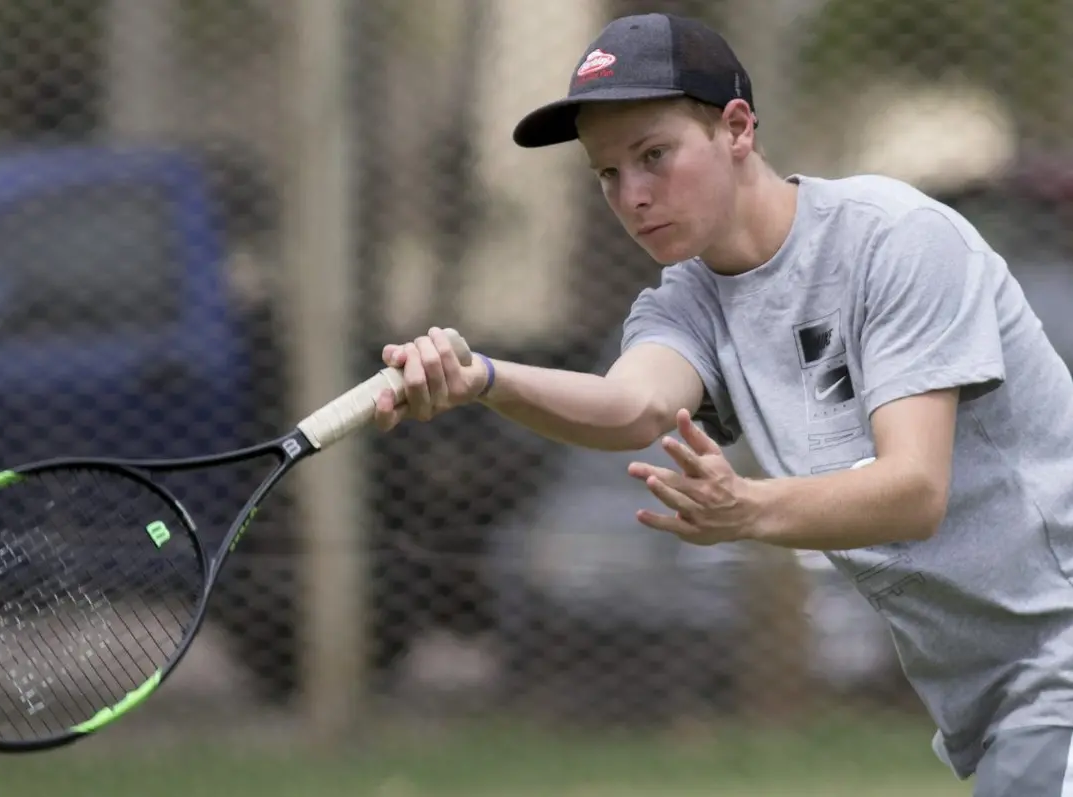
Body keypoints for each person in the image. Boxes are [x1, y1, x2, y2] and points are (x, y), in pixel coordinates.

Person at [372, 12, 1073, 796]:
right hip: (1000, 693)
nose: (632, 195)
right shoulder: (689, 301)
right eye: (607, 174)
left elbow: (913, 491)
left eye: (653, 156)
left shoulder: (895, 241)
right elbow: (628, 406)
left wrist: (748, 508)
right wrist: (484, 378)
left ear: (736, 128)